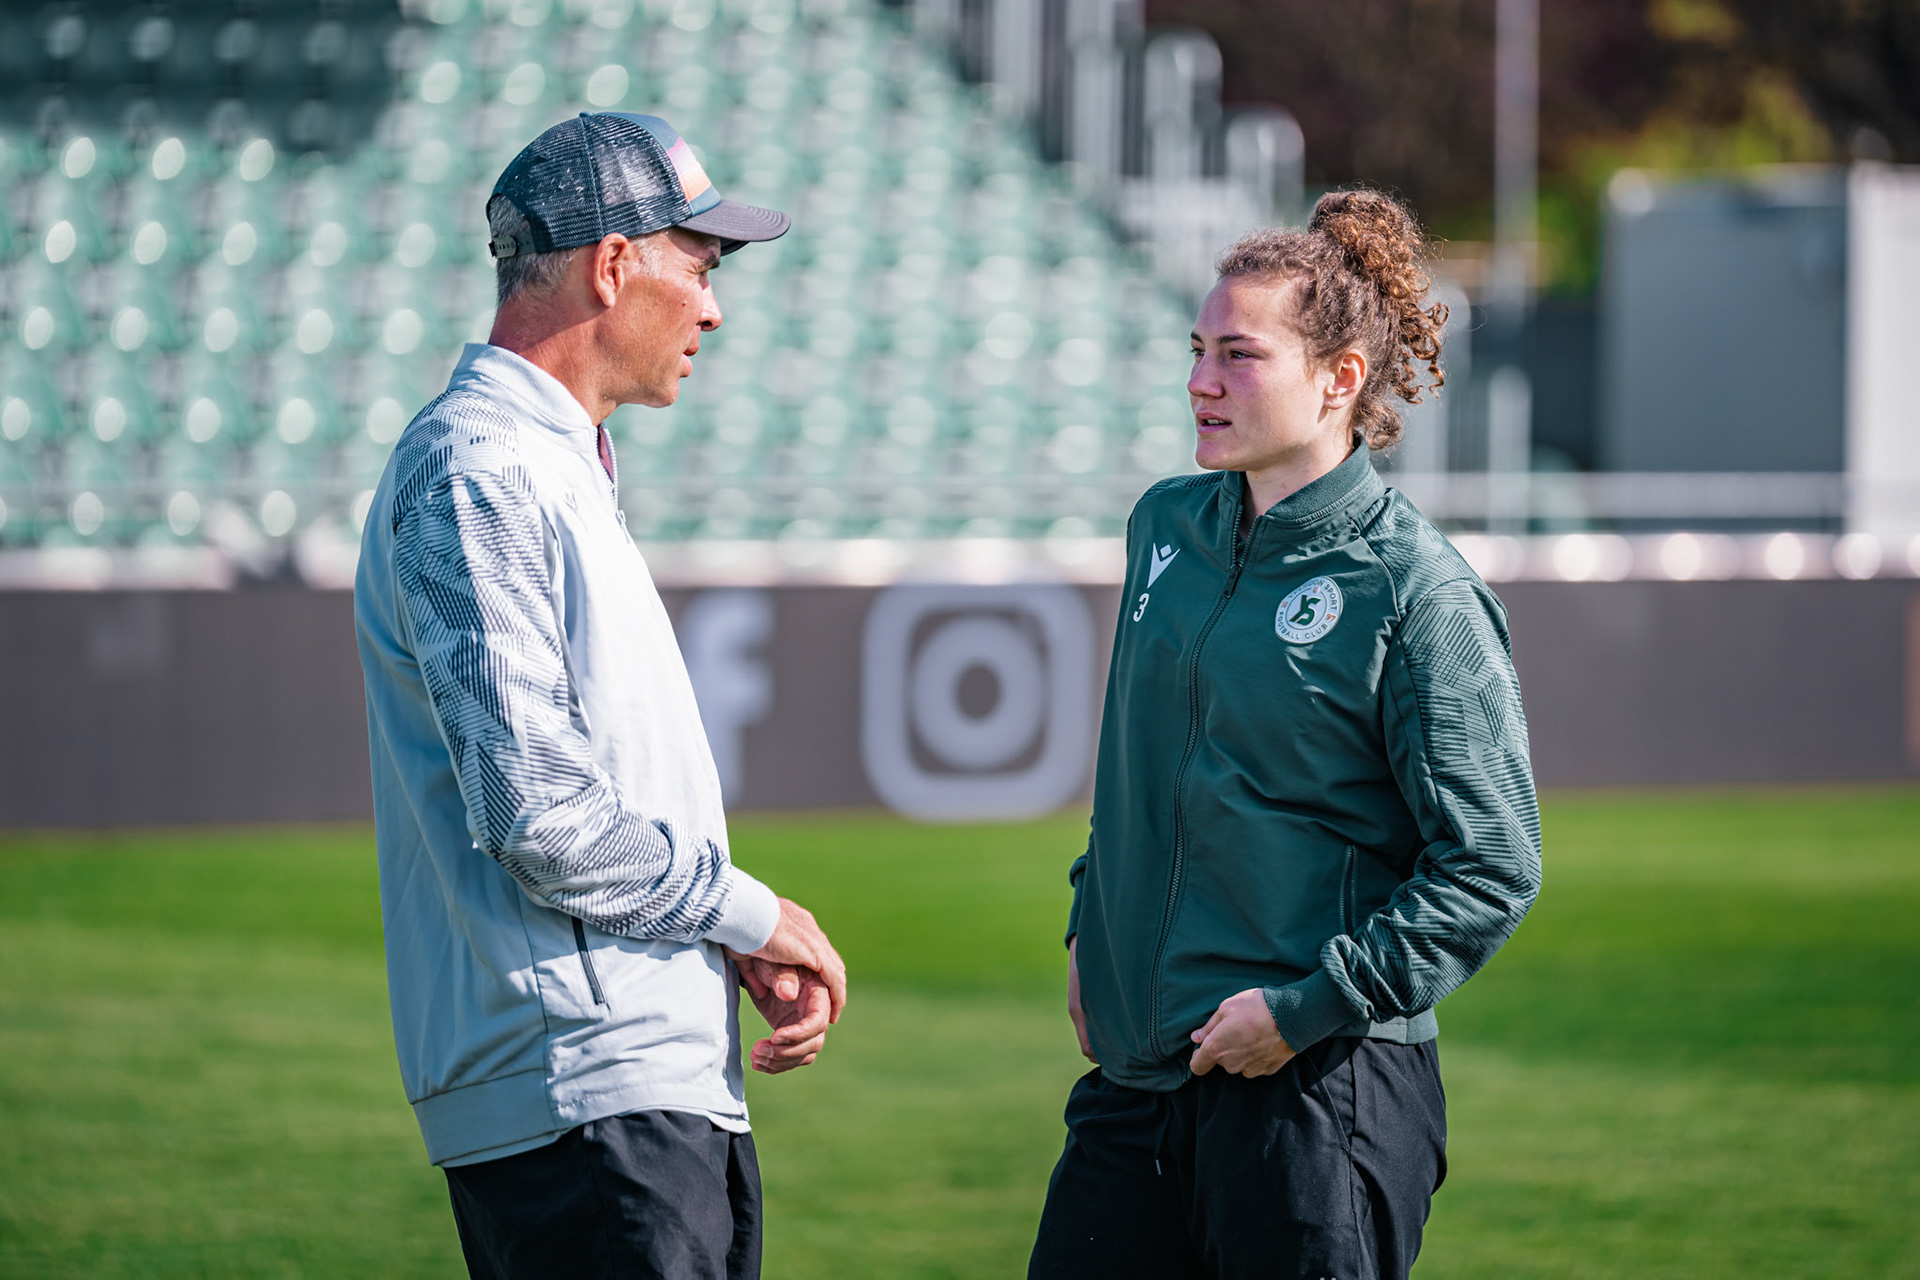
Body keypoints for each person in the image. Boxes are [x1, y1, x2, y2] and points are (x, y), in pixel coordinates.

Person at [353, 111, 845, 1280]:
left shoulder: (545, 465)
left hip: (626, 1084)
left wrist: (713, 941)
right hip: (582, 1094)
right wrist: (743, 910)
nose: (715, 309)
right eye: (703, 265)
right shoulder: (481, 470)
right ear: (614, 264)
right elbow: (540, 814)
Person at [1028, 190, 1542, 1280]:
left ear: (1340, 377)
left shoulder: (1417, 592)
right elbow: (1144, 768)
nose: (1200, 381)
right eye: (1197, 348)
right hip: (1137, 1081)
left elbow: (1492, 867)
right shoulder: (1166, 524)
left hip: (1318, 1090)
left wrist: (1307, 1009)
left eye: (1240, 354)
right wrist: (1093, 920)